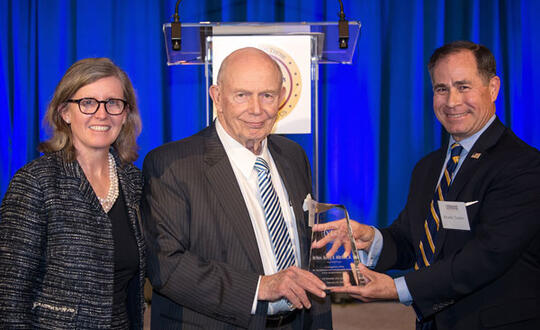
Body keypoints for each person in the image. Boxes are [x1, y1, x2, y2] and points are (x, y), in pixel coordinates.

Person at [313, 41, 540, 329]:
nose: (452, 101)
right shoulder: (429, 167)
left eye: (463, 86)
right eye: (441, 89)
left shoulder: (523, 165)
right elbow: (412, 240)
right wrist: (372, 238)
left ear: (493, 88)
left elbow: (487, 256)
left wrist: (397, 288)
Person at [142, 47, 332, 329]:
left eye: (267, 95)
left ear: (281, 97)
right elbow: (167, 267)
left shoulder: (293, 156)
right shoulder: (172, 165)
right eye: (242, 95)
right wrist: (260, 288)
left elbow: (302, 248)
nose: (256, 109)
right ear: (217, 97)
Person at [0, 58, 146, 329]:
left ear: (125, 114)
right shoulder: (35, 182)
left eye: (113, 103)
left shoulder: (134, 182)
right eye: (87, 102)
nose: (102, 114)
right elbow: (9, 297)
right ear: (65, 112)